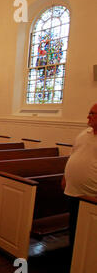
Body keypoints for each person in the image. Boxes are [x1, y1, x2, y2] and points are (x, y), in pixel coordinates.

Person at [62, 103, 97, 255]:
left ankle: (83, 261)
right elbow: (73, 155)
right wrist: (65, 176)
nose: (88, 116)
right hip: (74, 192)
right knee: (75, 227)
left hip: (92, 196)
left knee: (88, 234)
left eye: (92, 113)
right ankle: (73, 258)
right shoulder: (84, 134)